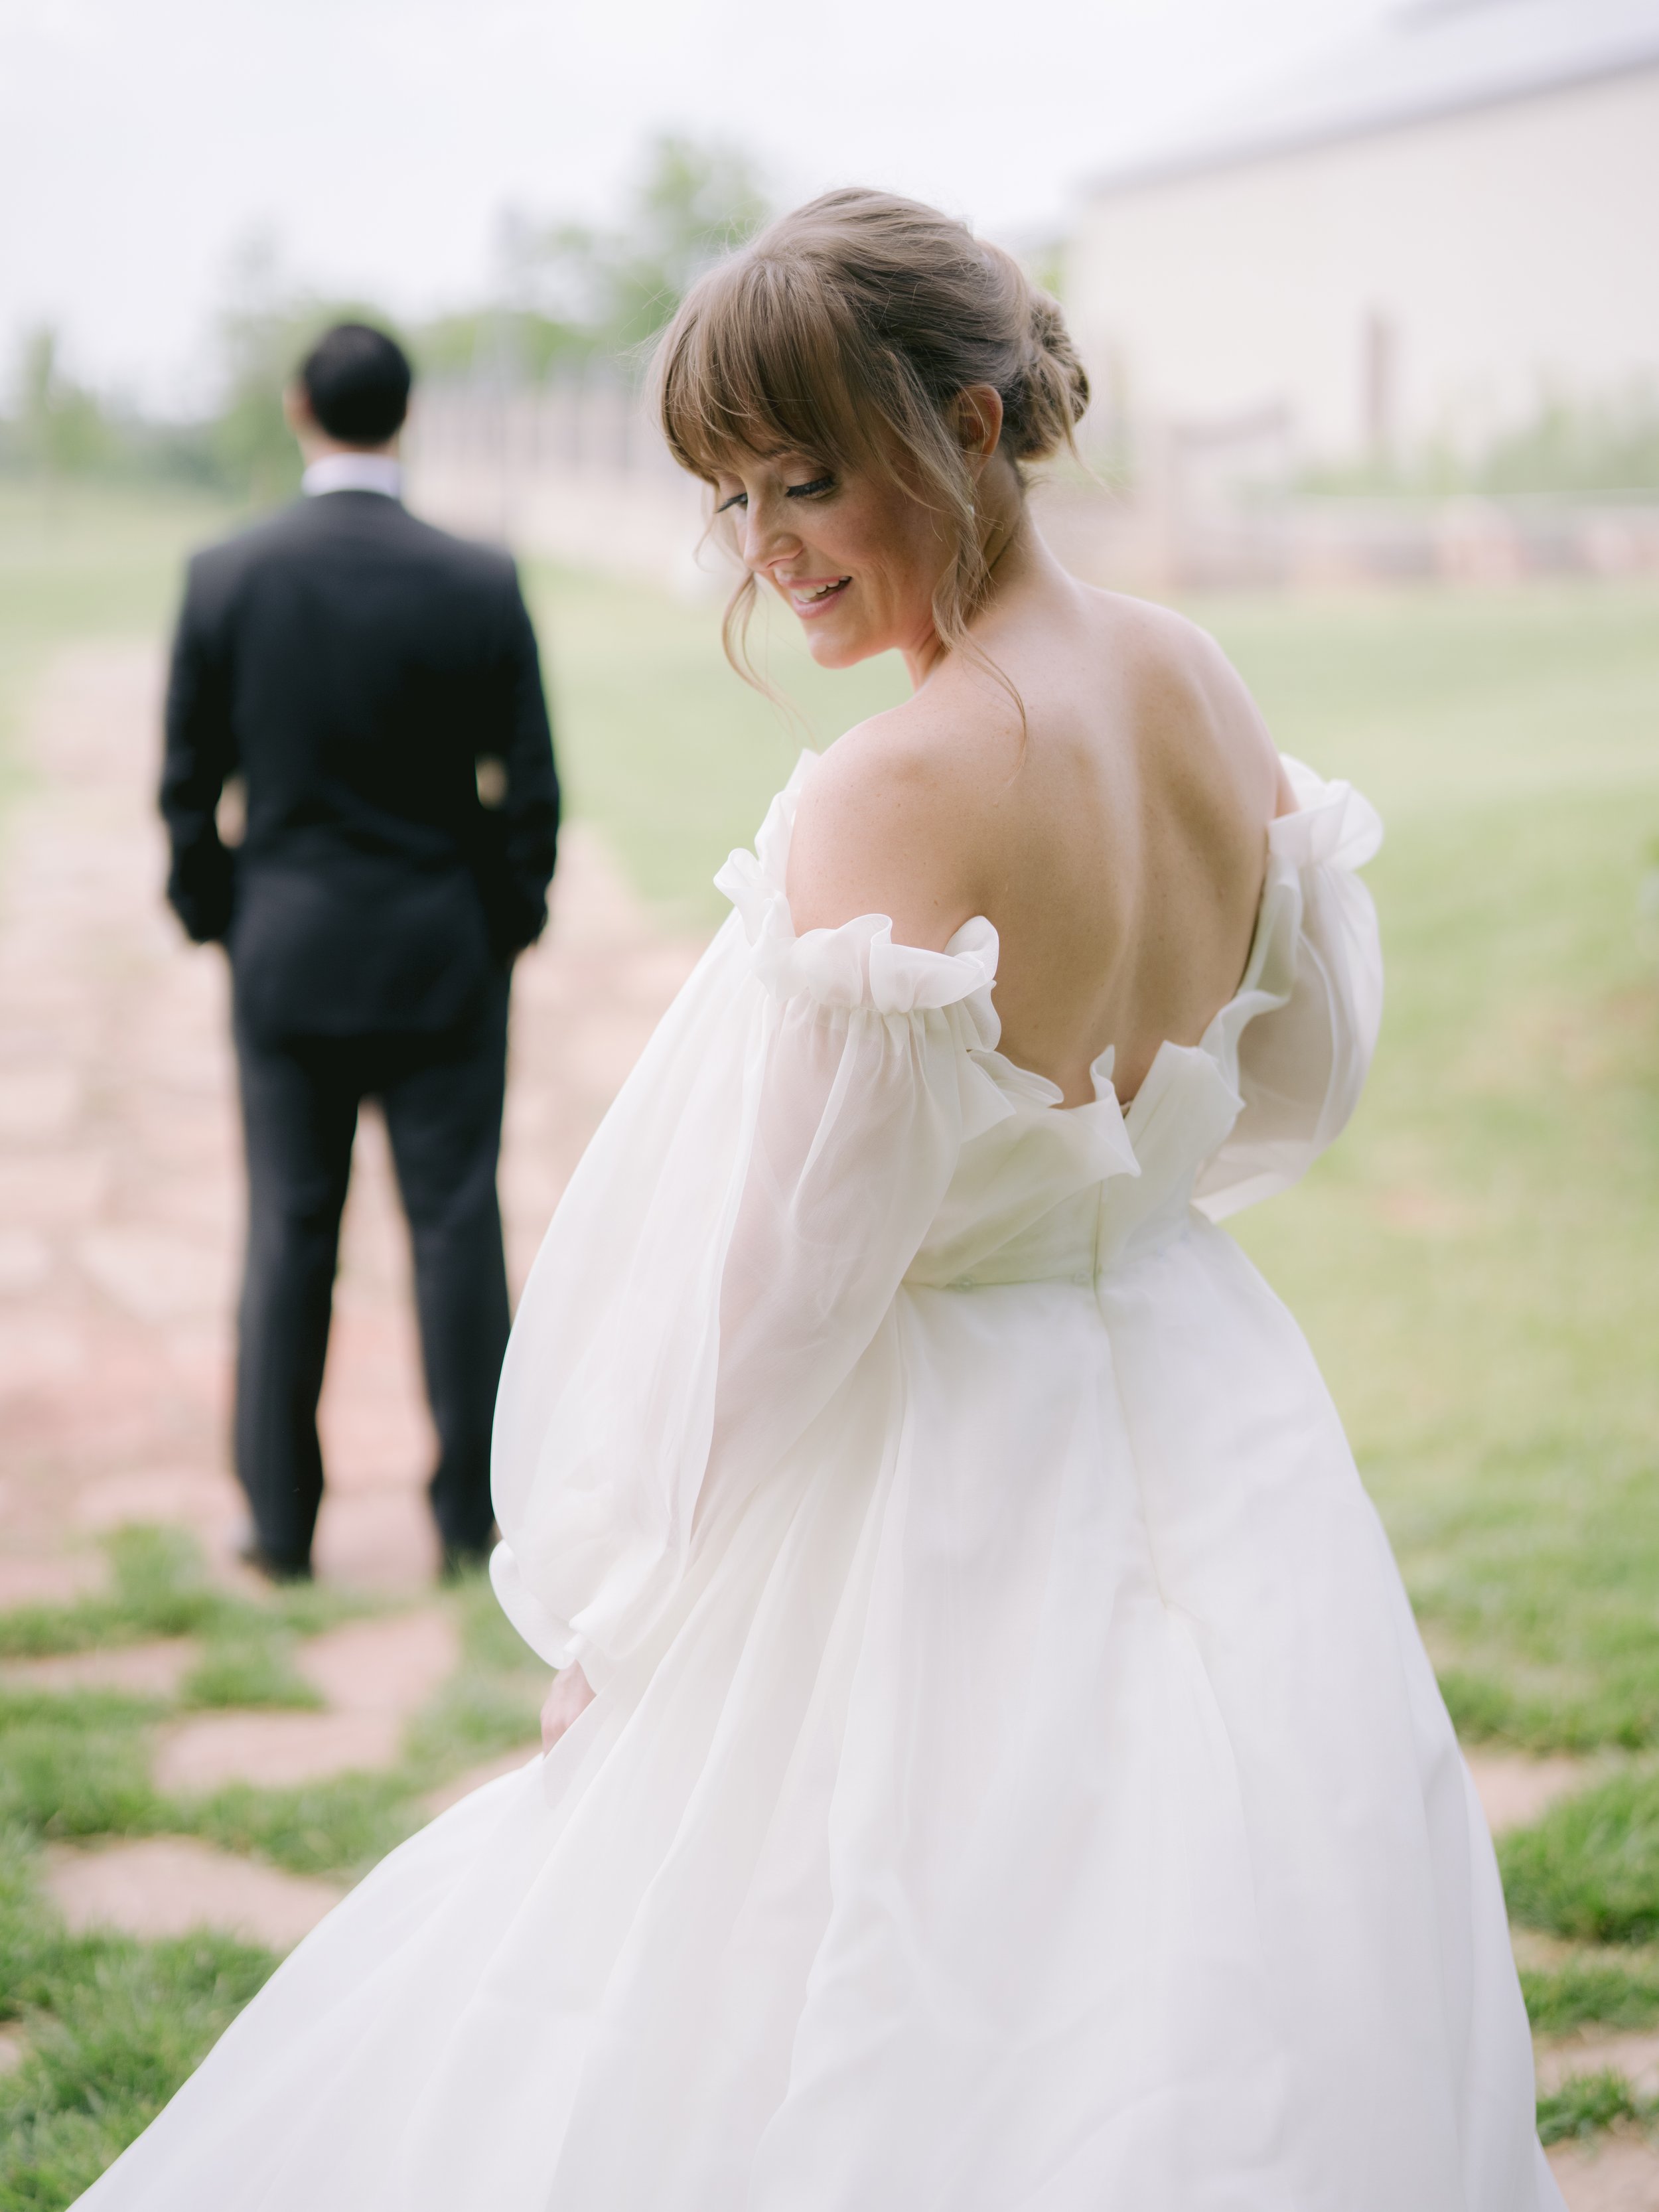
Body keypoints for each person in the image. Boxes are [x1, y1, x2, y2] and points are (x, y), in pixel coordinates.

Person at [87, 197, 1558, 2207]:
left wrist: (640, 1579)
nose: (764, 551)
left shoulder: (904, 777)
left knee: (835, 1955)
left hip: (939, 1448)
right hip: (1213, 1391)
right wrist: (1096, 1210)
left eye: (805, 480)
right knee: (1239, 1924)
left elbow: (795, 1264)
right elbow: (1298, 1077)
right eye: (727, 498)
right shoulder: (1202, 684)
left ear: (967, 422)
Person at [159, 322, 559, 1583]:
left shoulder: (226, 575)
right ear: (407, 416)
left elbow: (184, 791)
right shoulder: (479, 578)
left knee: (288, 1231)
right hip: (445, 952)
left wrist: (226, 915)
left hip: (286, 952)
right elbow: (534, 792)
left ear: (298, 410)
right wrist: (505, 919)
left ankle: (280, 1525)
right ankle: (469, 1518)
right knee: (455, 1226)